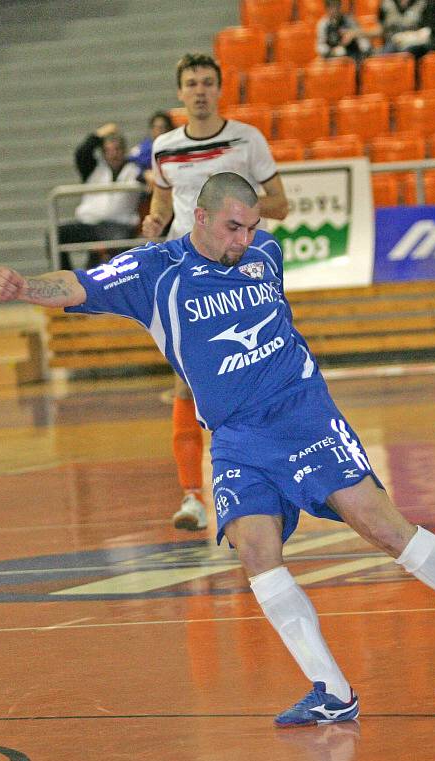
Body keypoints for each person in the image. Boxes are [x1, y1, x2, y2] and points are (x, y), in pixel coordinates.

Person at [0, 172, 435, 728]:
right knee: (255, 551)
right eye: (234, 227)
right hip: (235, 438)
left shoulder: (265, 253)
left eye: (251, 227)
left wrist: (254, 239)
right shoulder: (155, 273)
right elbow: (79, 283)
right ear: (201, 218)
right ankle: (332, 690)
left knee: (383, 529)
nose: (244, 239)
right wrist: (27, 288)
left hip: (302, 414)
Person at [142, 52, 288, 532]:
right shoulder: (164, 147)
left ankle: (270, 484)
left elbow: (280, 204)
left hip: (240, 273)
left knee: (253, 379)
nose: (200, 90)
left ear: (220, 88)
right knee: (186, 383)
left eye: (207, 81)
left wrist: (235, 215)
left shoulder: (247, 139)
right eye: (191, 83)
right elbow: (163, 201)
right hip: (187, 278)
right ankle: (192, 498)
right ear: (180, 92)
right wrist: (156, 220)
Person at [54, 123, 142, 271]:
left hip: (119, 225)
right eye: (108, 150)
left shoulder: (136, 170)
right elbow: (82, 153)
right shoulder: (93, 168)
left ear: (124, 151)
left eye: (117, 149)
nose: (113, 154)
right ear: (103, 153)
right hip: (90, 224)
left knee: (119, 243)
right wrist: (99, 134)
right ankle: (65, 275)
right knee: (57, 234)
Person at [127, 111, 173, 190]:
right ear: (152, 129)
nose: (161, 131)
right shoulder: (142, 149)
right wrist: (144, 173)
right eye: (158, 127)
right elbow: (130, 164)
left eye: (164, 127)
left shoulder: (176, 149)